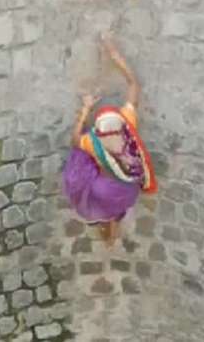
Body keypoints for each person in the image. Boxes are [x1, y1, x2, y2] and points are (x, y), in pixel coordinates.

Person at [62, 32, 158, 248]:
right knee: (114, 209)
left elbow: (75, 140)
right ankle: (111, 234)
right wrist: (114, 53)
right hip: (128, 189)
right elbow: (133, 84)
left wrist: (85, 108)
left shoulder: (94, 143)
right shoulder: (128, 126)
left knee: (79, 158)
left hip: (102, 190)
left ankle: (106, 230)